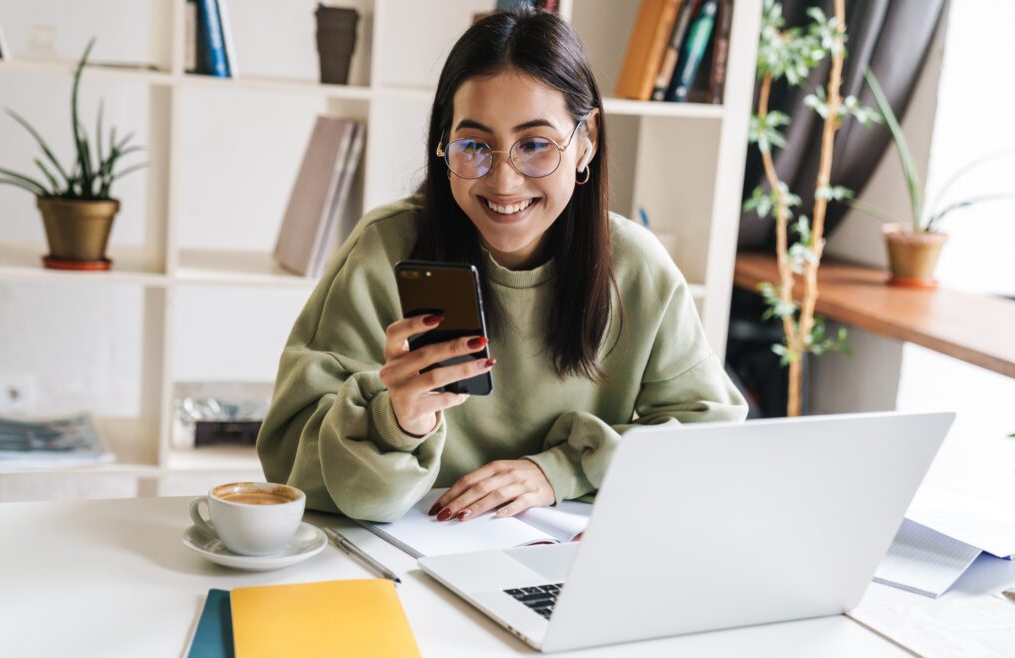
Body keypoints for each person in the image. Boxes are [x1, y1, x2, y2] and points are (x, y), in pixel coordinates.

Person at [257, 10, 747, 523]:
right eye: (475, 146)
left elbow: (709, 439)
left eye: (535, 145)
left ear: (587, 142)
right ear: (445, 144)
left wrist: (561, 472)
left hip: (563, 561)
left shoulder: (638, 269)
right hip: (407, 551)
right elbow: (292, 469)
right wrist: (399, 422)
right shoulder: (383, 251)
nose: (503, 181)